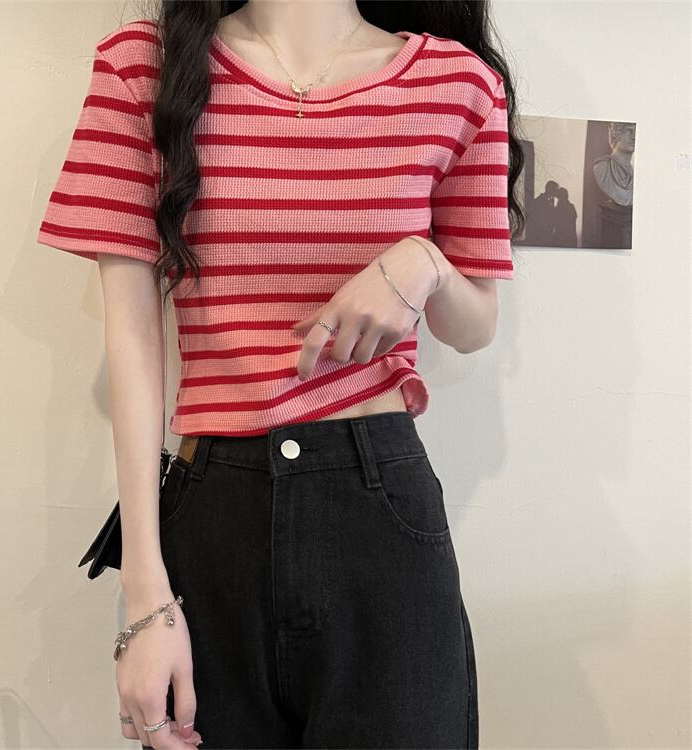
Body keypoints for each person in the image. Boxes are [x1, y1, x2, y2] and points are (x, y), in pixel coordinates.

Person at [37, 1, 523, 748]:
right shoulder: (145, 68)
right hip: (214, 515)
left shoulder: (458, 85)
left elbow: (475, 323)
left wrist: (424, 264)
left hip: (380, 518)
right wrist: (145, 596)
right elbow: (132, 336)